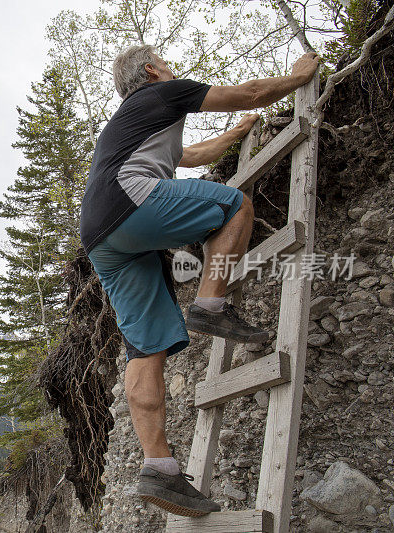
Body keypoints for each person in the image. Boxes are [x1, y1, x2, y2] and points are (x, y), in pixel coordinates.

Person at [80, 45, 320, 516]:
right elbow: (249, 92)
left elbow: (191, 155)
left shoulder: (133, 127)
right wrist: (297, 77)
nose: (171, 69)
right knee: (234, 205)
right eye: (165, 64)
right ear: (151, 71)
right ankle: (211, 304)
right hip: (132, 203)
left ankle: (159, 469)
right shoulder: (164, 94)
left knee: (145, 348)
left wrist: (238, 132)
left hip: (102, 236)